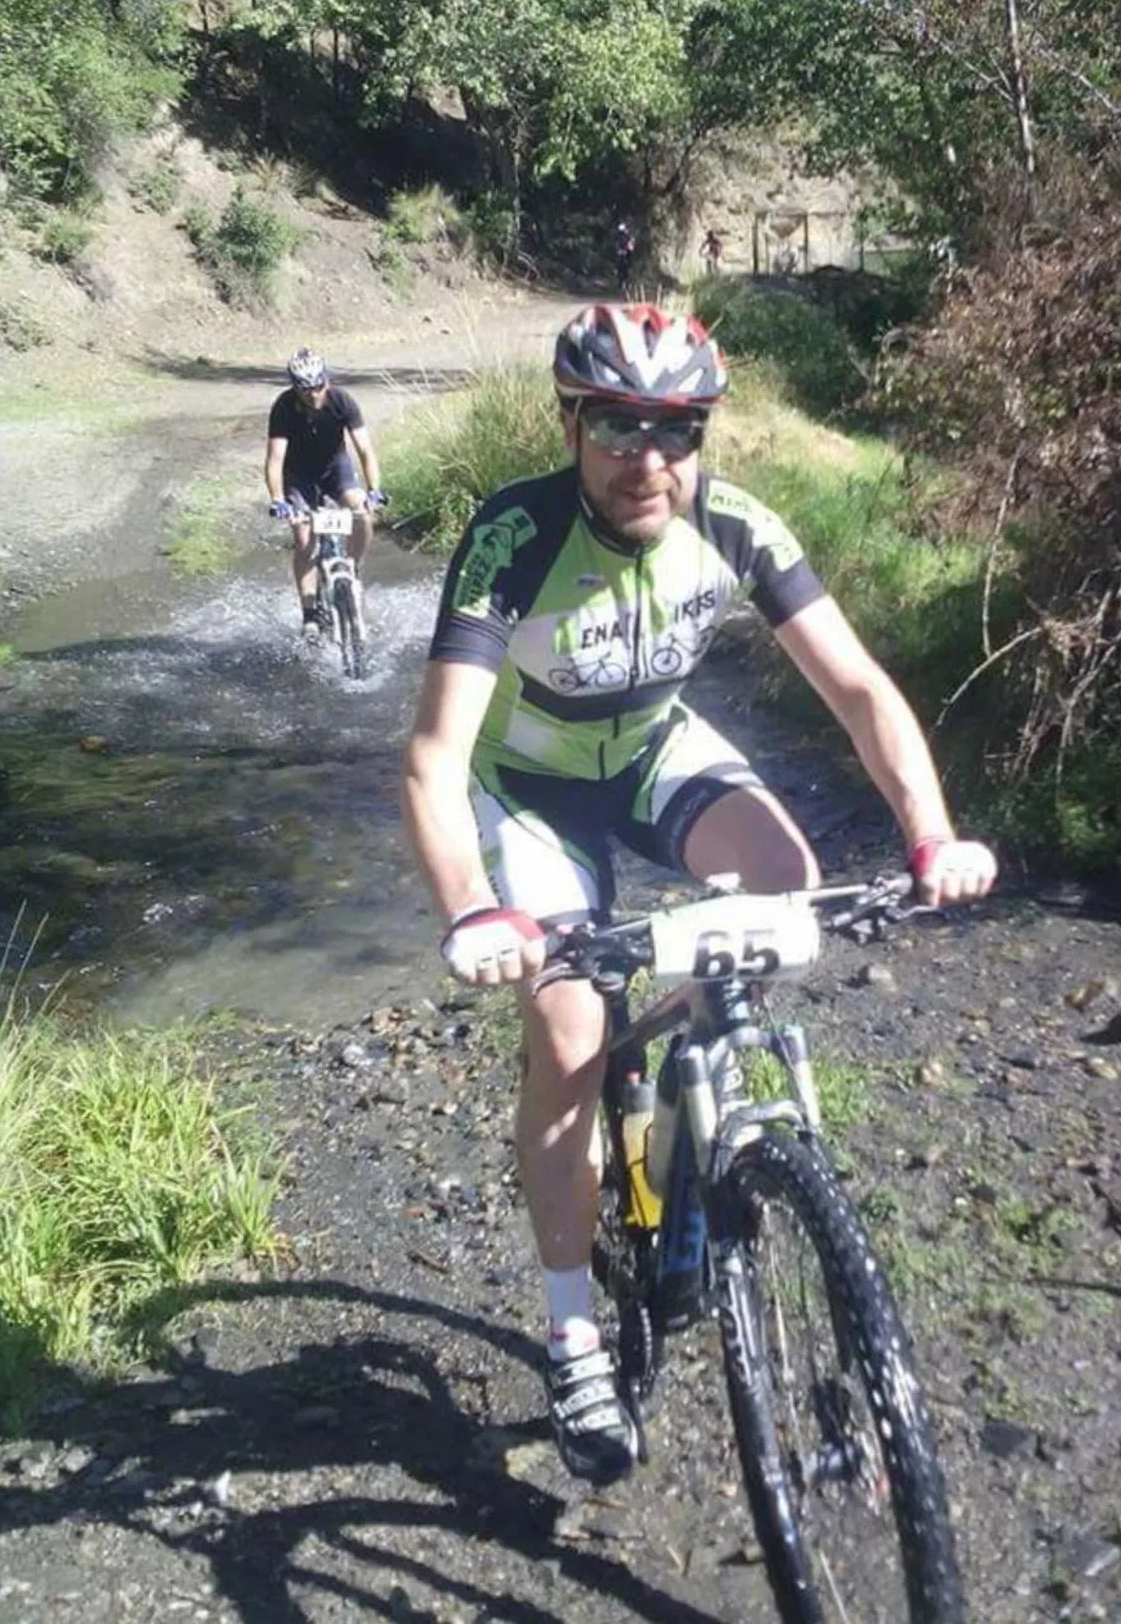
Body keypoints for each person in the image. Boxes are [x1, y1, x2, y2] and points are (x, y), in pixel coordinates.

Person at [401, 303, 997, 1487]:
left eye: (677, 429)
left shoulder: (731, 520)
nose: (647, 457)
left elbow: (861, 691)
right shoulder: (512, 531)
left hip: (655, 749)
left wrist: (930, 835)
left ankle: (685, 1097)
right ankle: (572, 1324)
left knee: (785, 895)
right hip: (531, 785)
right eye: (618, 425)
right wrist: (473, 907)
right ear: (571, 422)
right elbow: (431, 756)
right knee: (568, 1030)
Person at [264, 348, 386, 637]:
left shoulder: (342, 401)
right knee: (304, 538)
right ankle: (309, 613)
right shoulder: (283, 407)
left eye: (319, 386)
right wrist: (278, 500)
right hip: (298, 474)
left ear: (326, 381)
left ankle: (352, 569)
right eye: (305, 389)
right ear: (295, 387)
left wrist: (374, 491)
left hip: (335, 469)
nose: (314, 395)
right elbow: (274, 460)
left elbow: (365, 450)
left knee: (362, 516)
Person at [613, 218, 636, 295]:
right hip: (620, 252)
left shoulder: (628, 236)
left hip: (626, 253)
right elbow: (616, 245)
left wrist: (629, 248)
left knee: (627, 263)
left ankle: (627, 279)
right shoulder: (617, 237)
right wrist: (618, 250)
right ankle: (616, 271)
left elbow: (631, 244)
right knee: (618, 262)